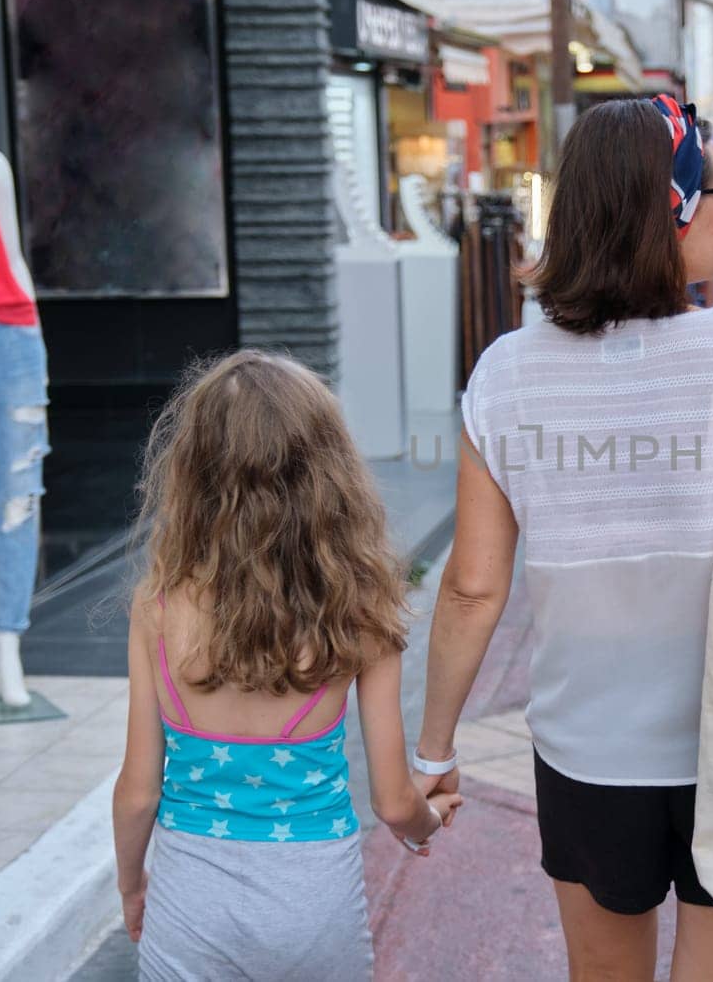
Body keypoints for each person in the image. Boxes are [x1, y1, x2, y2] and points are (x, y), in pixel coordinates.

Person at [416, 95, 713, 981]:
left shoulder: (505, 374)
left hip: (585, 749)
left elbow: (472, 586)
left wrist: (433, 746)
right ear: (679, 208)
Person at [112, 351, 461, 980]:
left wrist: (133, 885)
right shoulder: (358, 606)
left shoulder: (157, 608)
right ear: (329, 473)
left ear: (193, 472)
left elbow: (139, 791)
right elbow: (390, 800)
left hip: (189, 903)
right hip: (314, 898)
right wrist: (427, 819)